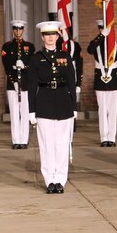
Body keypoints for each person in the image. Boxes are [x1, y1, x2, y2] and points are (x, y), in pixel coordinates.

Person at [29, 20, 78, 194]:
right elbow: (32, 85)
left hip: (63, 102)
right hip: (44, 102)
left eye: (53, 34)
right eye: (47, 35)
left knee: (62, 143)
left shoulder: (65, 56)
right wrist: (31, 110)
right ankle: (50, 179)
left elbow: (71, 81)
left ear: (58, 36)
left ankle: (61, 180)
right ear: (42, 38)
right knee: (47, 144)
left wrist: (74, 105)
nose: (50, 38)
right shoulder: (36, 58)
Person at [87, 19, 117, 147]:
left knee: (113, 110)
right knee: (102, 109)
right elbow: (89, 49)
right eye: (102, 28)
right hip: (100, 81)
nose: (105, 30)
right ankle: (104, 137)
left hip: (114, 80)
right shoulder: (97, 43)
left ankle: (112, 138)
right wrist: (101, 35)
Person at [1, 19, 35, 149]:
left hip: (26, 83)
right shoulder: (7, 46)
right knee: (14, 112)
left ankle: (24, 139)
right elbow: (6, 66)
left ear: (23, 30)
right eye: (15, 29)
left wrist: (25, 66)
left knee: (25, 111)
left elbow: (33, 65)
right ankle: (16, 140)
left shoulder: (30, 46)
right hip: (12, 83)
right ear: (13, 30)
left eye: (20, 29)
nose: (18, 31)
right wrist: (13, 81)